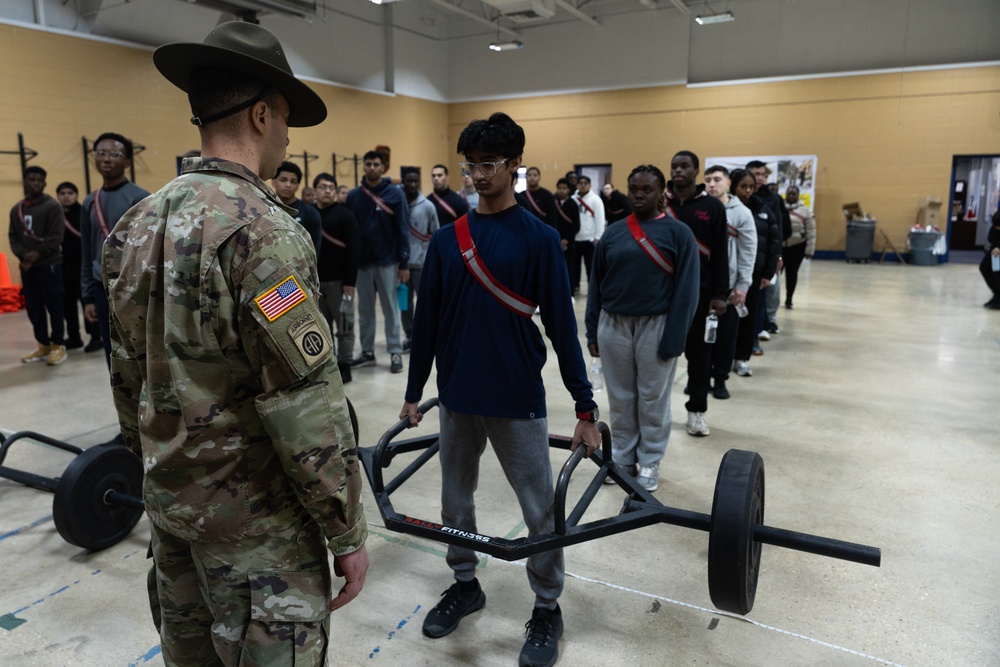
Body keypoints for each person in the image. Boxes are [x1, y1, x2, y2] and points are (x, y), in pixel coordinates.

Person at [104, 21, 369, 666]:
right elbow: (301, 395)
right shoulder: (262, 235)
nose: (285, 137)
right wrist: (345, 527)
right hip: (258, 537)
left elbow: (126, 375)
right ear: (260, 114)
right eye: (284, 121)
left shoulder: (137, 225)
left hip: (173, 519)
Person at [401, 112, 599, 667]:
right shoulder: (446, 242)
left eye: (488, 165)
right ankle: (465, 583)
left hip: (516, 398)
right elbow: (428, 324)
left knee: (539, 508)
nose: (477, 176)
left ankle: (546, 607)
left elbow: (563, 327)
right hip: (458, 396)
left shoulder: (538, 240)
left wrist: (585, 407)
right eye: (470, 166)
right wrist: (415, 390)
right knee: (454, 500)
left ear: (516, 166)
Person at [585, 165, 699, 491]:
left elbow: (687, 291)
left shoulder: (679, 234)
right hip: (614, 324)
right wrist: (593, 330)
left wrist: (675, 337)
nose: (638, 194)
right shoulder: (614, 232)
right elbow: (597, 284)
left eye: (646, 189)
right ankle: (621, 459)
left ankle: (649, 462)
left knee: (652, 400)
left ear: (662, 193)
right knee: (621, 398)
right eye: (633, 188)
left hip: (657, 325)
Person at [664, 150, 728, 437]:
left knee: (700, 356)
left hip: (701, 293)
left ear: (696, 171)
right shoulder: (659, 202)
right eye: (674, 166)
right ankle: (658, 412)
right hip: (663, 293)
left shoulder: (712, 207)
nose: (678, 170)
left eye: (684, 166)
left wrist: (720, 293)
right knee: (660, 355)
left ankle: (697, 411)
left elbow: (720, 255)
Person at [80, 132, 149, 368]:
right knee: (113, 354)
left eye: (114, 154)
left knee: (140, 351)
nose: (106, 159)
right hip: (102, 291)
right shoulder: (90, 201)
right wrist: (88, 296)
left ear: (127, 162)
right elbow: (87, 252)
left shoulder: (141, 199)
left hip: (134, 289)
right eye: (101, 154)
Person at [345, 149, 409, 374]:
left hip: (388, 261)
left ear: (383, 167)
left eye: (376, 164)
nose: (372, 168)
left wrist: (404, 262)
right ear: (364, 166)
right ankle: (367, 352)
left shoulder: (394, 194)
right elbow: (349, 233)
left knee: (391, 309)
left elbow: (403, 228)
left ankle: (394, 351)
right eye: (368, 164)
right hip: (362, 263)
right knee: (364, 310)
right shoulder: (354, 196)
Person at [704, 166, 756, 400]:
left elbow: (748, 251)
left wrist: (742, 285)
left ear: (727, 183)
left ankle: (721, 379)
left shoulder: (741, 213)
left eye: (717, 180)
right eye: (707, 180)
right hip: (703, 286)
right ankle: (701, 377)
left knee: (724, 339)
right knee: (700, 340)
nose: (711, 184)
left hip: (729, 288)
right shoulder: (701, 210)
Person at [9, 165, 67, 365]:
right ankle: (42, 345)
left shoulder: (52, 206)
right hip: (27, 268)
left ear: (44, 183)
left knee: (55, 306)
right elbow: (13, 237)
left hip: (50, 265)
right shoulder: (16, 209)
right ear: (25, 181)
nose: (35, 183)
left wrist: (36, 255)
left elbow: (56, 236)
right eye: (31, 179)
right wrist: (24, 255)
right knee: (33, 307)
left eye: (39, 180)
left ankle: (58, 345)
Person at [729, 169, 781, 378]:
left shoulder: (763, 210)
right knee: (728, 319)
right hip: (729, 273)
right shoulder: (724, 209)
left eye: (751, 187)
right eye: (744, 186)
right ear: (733, 185)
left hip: (755, 274)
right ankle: (723, 357)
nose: (748, 191)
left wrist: (768, 273)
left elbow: (773, 243)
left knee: (748, 319)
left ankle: (741, 358)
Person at [313, 172, 360, 382]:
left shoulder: (345, 215)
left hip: (340, 283)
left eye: (331, 187)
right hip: (315, 283)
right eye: (323, 187)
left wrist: (350, 282)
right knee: (322, 328)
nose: (327, 191)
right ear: (315, 190)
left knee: (344, 326)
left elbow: (353, 250)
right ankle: (329, 364)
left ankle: (345, 363)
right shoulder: (309, 214)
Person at [400, 166, 440, 347]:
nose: (413, 184)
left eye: (416, 180)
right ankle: (409, 335)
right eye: (409, 180)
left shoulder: (428, 206)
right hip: (401, 266)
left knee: (424, 303)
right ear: (403, 182)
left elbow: (436, 234)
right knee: (403, 303)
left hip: (421, 264)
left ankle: (424, 335)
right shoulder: (397, 204)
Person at [56, 180, 98, 351]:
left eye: (70, 193)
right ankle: (74, 336)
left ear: (76, 195)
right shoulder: (56, 215)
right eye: (62, 193)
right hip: (63, 266)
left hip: (82, 266)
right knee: (67, 304)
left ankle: (95, 336)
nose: (66, 197)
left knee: (87, 302)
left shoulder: (83, 212)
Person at [272, 160, 322, 257]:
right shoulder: (264, 207)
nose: (288, 185)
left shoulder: (310, 213)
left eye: (293, 181)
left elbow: (314, 249)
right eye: (283, 180)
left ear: (298, 186)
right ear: (274, 182)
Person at [571, 175, 605, 296]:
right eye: (580, 183)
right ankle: (575, 286)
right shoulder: (572, 199)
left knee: (591, 265)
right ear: (577, 185)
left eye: (585, 183)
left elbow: (600, 219)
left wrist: (598, 237)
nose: (583, 185)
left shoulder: (596, 200)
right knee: (574, 266)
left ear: (590, 185)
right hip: (575, 238)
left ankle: (593, 287)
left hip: (590, 239)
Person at [782, 185, 816, 309]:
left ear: (798, 196)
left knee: (792, 273)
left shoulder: (806, 211)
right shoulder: (779, 208)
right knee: (775, 274)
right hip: (780, 250)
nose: (791, 196)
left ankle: (789, 298)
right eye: (789, 193)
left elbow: (811, 232)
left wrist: (809, 250)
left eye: (793, 194)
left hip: (796, 249)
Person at [554, 177, 581, 271]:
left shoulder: (573, 204)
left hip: (569, 242)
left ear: (569, 190)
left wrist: (567, 239)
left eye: (564, 188)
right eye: (559, 188)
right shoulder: (553, 202)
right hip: (555, 240)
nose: (561, 190)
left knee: (569, 268)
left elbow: (576, 225)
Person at [981, 210, 1000, 309]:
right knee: (985, 268)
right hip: (994, 244)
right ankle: (997, 294)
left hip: (998, 247)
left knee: (996, 271)